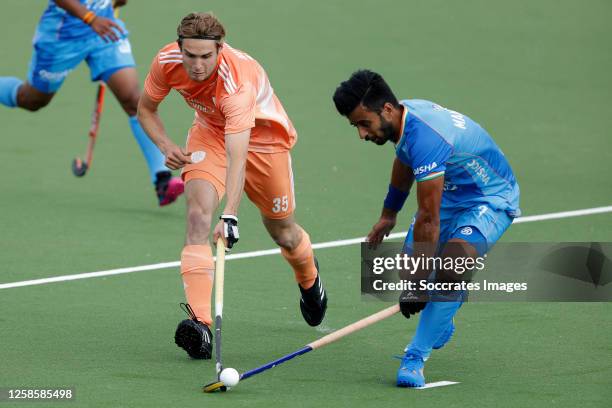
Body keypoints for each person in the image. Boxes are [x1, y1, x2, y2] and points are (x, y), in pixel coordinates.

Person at [137, 12, 327, 359]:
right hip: (209, 132)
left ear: (219, 50)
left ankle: (309, 275)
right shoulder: (166, 61)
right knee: (196, 218)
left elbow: (237, 157)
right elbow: (146, 109)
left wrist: (231, 215)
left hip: (263, 142)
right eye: (190, 55)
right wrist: (166, 146)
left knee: (283, 232)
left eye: (205, 56)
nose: (196, 65)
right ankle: (201, 325)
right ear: (179, 48)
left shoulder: (236, 84)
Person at [333, 70, 520, 387]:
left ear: (387, 110)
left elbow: (429, 219)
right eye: (356, 126)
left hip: (487, 198)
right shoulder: (404, 121)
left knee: (449, 267)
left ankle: (415, 357)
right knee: (410, 273)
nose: (361, 135)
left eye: (364, 124)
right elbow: (405, 159)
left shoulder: (427, 137)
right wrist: (388, 214)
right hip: (450, 192)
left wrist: (420, 285)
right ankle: (446, 308)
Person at [0, 0, 183, 206]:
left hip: (104, 31)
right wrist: (90, 18)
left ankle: (162, 179)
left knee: (134, 101)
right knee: (32, 99)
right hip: (63, 36)